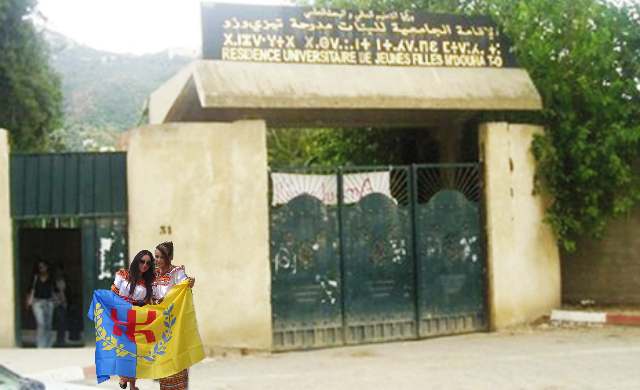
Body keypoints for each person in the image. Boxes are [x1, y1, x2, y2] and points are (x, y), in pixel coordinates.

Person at [152, 242, 195, 390]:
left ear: (169, 257)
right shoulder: (154, 274)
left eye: (161, 257)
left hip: (173, 323)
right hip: (158, 322)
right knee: (163, 360)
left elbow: (184, 288)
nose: (157, 260)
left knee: (176, 358)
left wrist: (188, 283)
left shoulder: (176, 272)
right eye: (156, 257)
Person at [111, 250, 155, 390]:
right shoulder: (123, 275)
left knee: (134, 350)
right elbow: (113, 294)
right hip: (121, 315)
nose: (145, 265)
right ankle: (125, 379)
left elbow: (149, 302)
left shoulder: (148, 282)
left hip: (136, 317)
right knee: (123, 348)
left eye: (148, 263)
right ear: (137, 261)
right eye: (142, 261)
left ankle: (131, 384)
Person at [26, 260, 56, 348]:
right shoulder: (35, 278)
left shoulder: (51, 278)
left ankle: (48, 343)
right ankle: (41, 344)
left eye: (43, 267)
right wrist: (28, 301)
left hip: (49, 301)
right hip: (37, 302)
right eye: (40, 267)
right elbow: (30, 290)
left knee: (48, 323)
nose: (42, 269)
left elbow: (55, 290)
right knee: (41, 323)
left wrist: (59, 300)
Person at [52, 261, 68, 347]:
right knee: (59, 322)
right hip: (56, 303)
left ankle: (61, 339)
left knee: (62, 322)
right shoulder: (53, 282)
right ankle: (59, 340)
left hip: (62, 303)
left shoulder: (63, 280)